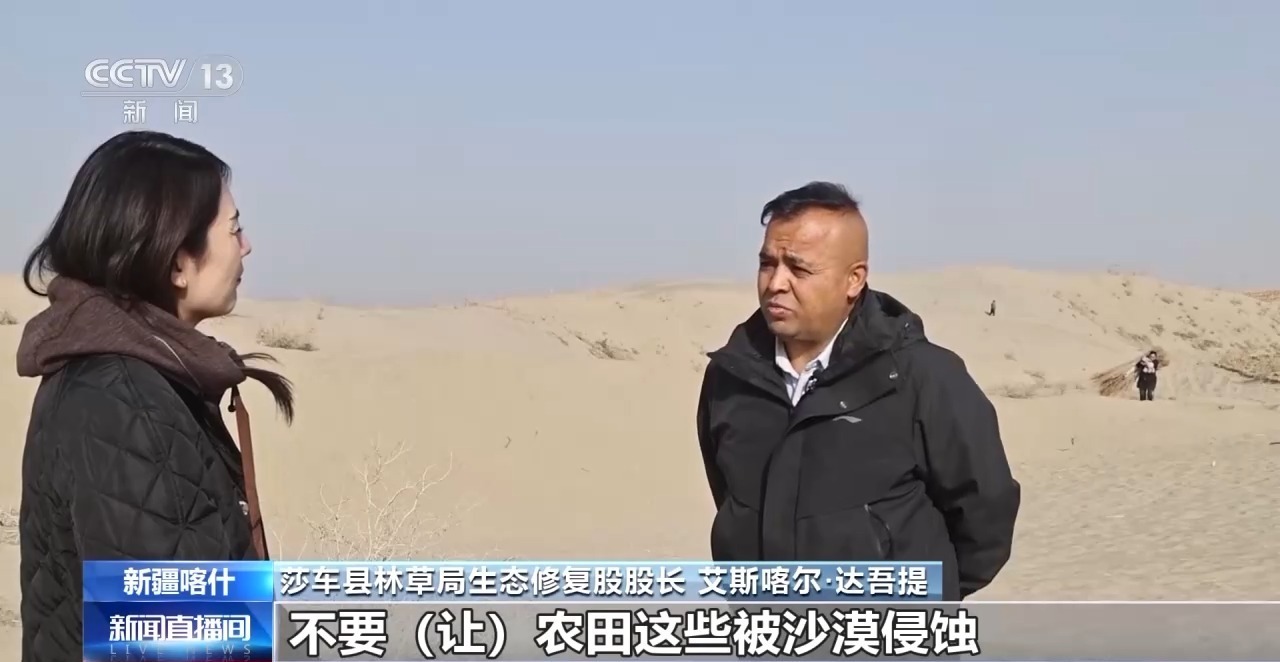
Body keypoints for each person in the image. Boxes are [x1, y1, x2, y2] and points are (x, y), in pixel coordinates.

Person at [16, 130, 295, 662]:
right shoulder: (123, 403)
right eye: (233, 229)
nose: (246, 246)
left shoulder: (141, 380)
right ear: (177, 263)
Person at [696, 181, 1021, 601]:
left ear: (854, 279)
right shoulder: (731, 377)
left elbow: (985, 517)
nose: (776, 283)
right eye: (767, 264)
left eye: (799, 269)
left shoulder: (921, 377)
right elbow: (730, 498)